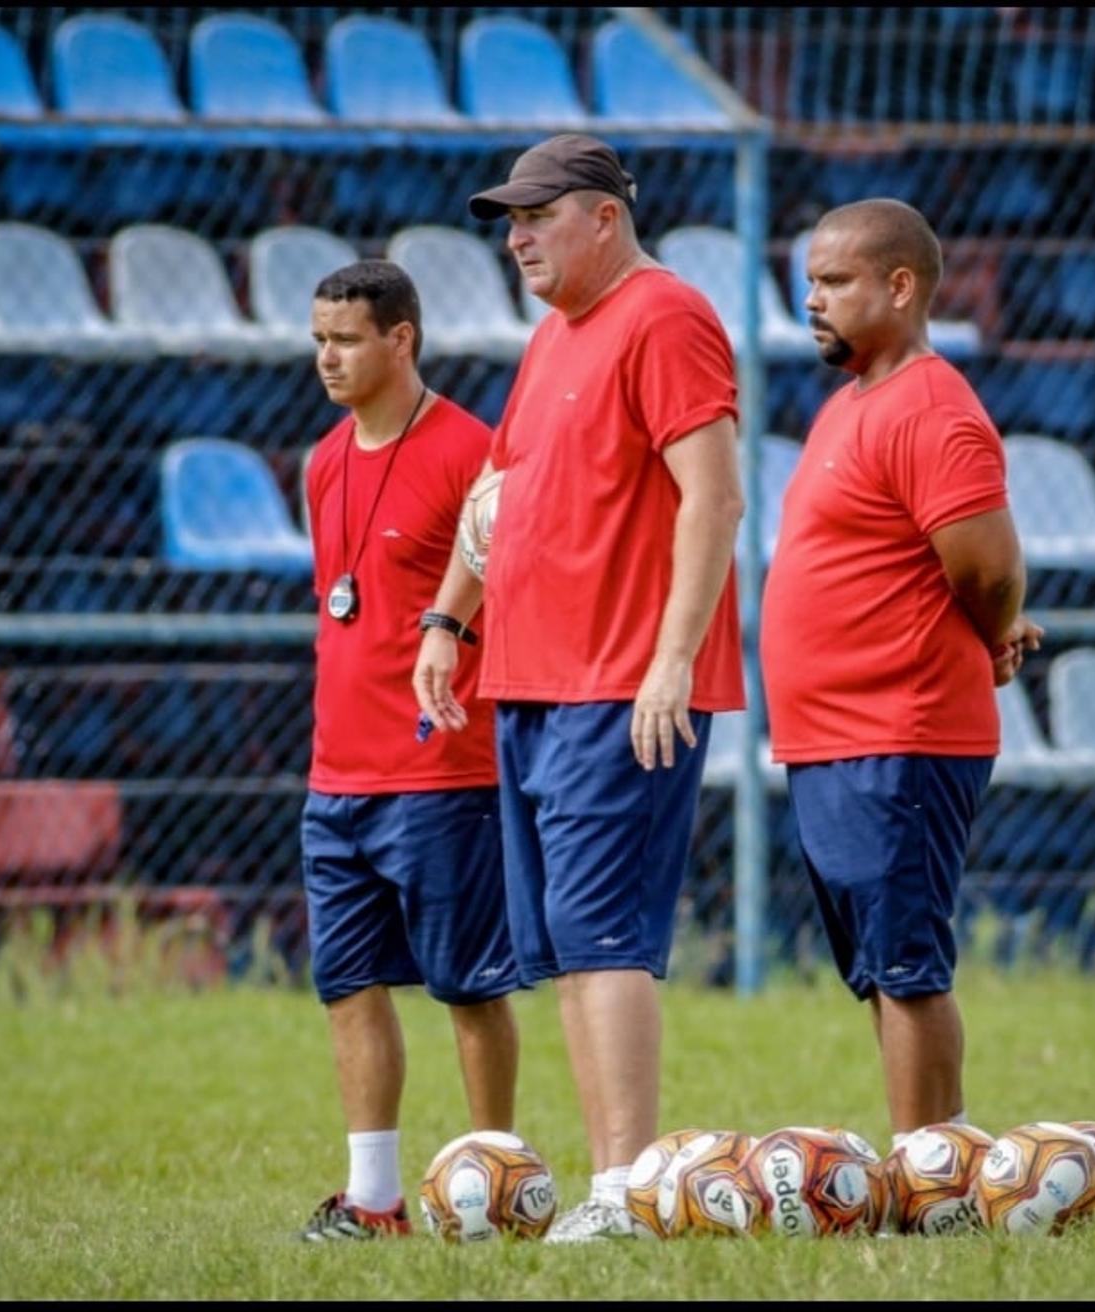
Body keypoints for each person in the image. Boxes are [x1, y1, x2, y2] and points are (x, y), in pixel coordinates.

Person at [412, 134, 745, 1242]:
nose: (514, 237)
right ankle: (621, 1187)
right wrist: (449, 618)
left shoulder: (666, 316)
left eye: (536, 215)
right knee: (563, 943)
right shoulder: (555, 335)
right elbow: (495, 495)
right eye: (508, 218)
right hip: (533, 681)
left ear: (604, 217)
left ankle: (626, 1191)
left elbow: (716, 498)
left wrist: (669, 657)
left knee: (605, 939)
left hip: (619, 684)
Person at [759, 199, 1044, 1146]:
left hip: (902, 731)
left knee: (909, 966)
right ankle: (941, 1160)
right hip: (836, 738)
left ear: (901, 285)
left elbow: (990, 567)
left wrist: (994, 628)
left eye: (835, 282)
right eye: (809, 282)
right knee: (881, 968)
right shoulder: (849, 405)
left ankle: (936, 1176)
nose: (813, 301)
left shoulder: (931, 406)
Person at [294, 261, 519, 1240]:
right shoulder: (319, 460)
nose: (328, 359)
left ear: (402, 340)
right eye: (318, 341)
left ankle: (502, 1184)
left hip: (440, 769)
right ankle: (375, 1200)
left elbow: (509, 600)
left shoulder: (474, 452)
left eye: (345, 340)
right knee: (347, 985)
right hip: (334, 775)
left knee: (469, 988)